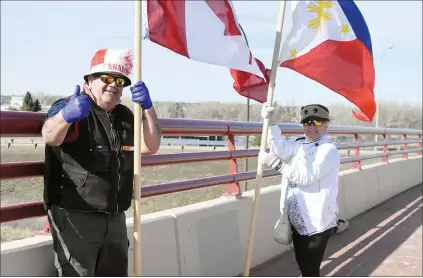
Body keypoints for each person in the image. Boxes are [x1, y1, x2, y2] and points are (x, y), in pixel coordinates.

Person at [41, 48, 161, 277]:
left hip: (115, 216)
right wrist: (67, 115)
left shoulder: (125, 115)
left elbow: (151, 146)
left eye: (119, 80)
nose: (113, 85)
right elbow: (49, 135)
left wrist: (148, 108)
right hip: (76, 214)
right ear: (88, 82)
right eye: (106, 78)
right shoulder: (69, 106)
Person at [258, 103, 341, 277]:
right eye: (307, 122)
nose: (312, 127)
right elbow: (280, 149)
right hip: (296, 219)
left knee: (310, 269)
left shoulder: (328, 150)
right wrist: (272, 123)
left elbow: (305, 176)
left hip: (316, 222)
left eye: (317, 122)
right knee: (304, 266)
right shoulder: (298, 144)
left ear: (326, 124)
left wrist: (274, 163)